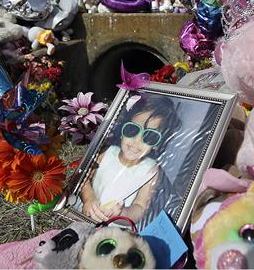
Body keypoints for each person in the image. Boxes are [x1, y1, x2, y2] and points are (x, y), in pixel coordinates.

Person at [77, 94, 182, 223]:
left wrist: (122, 213)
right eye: (132, 130)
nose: (136, 141)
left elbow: (140, 207)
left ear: (157, 144)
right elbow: (83, 179)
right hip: (87, 212)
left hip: (114, 226)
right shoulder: (106, 153)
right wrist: (89, 198)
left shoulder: (151, 170)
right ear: (122, 129)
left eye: (150, 136)